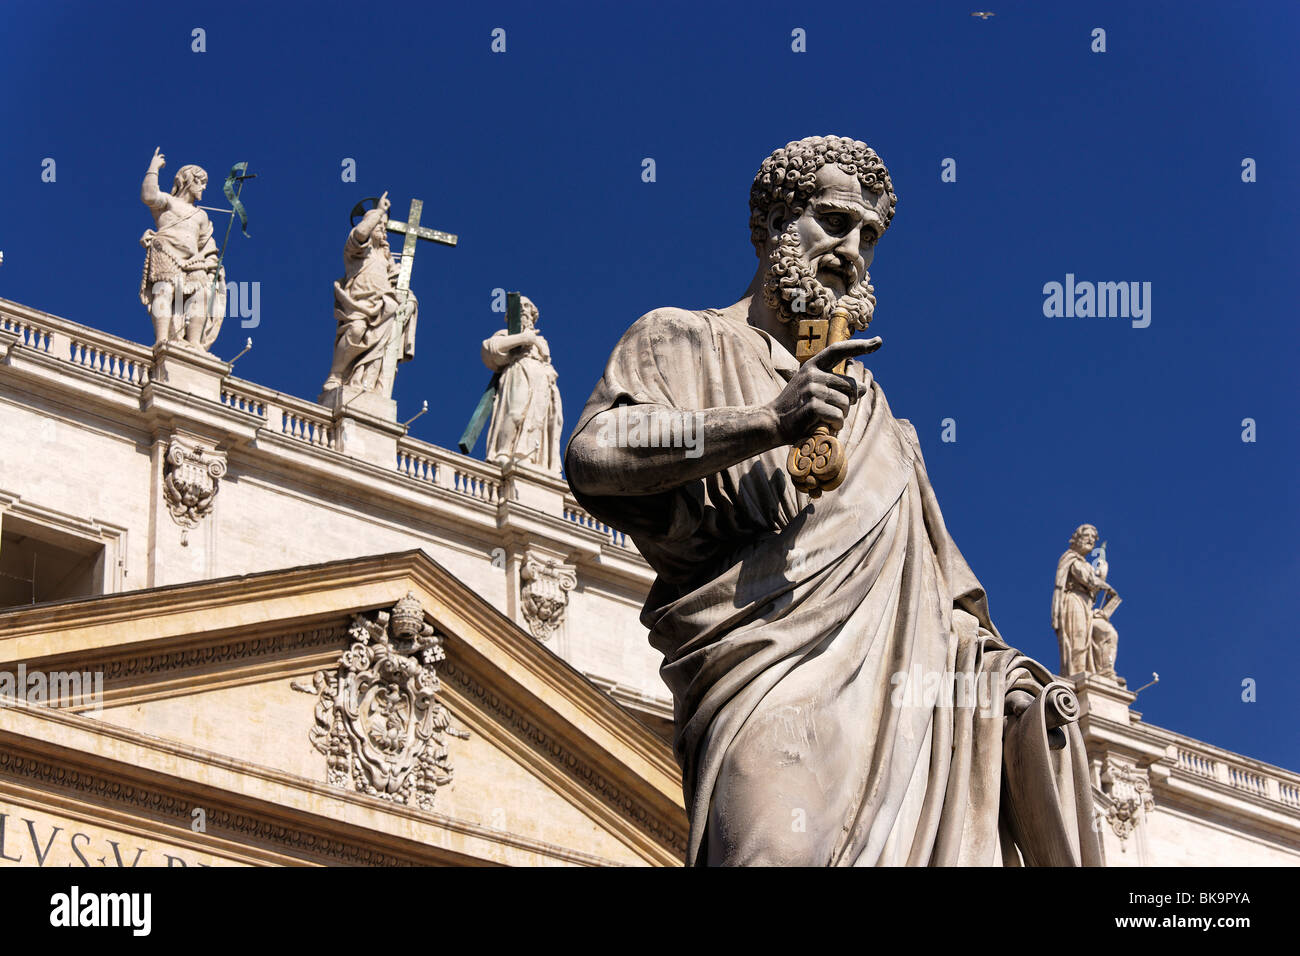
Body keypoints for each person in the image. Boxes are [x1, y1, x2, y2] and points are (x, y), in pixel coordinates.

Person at [566, 136, 1100, 866]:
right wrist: (765, 423)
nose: (852, 248)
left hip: (902, 720)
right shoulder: (681, 338)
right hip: (762, 684)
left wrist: (999, 689)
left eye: (870, 235)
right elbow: (595, 457)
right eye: (834, 219)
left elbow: (939, 597)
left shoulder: (881, 419)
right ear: (775, 224)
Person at [139, 148, 225, 350]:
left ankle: (194, 342)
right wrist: (154, 167)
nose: (203, 188)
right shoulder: (169, 202)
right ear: (188, 181)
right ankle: (162, 339)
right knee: (164, 291)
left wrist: (211, 262)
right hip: (166, 252)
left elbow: (207, 244)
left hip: (194, 261)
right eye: (200, 182)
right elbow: (149, 196)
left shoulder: (201, 215)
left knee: (202, 295)